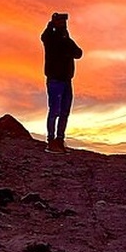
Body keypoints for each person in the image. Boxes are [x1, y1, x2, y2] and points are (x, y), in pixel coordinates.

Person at [41, 12, 83, 153]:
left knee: (64, 111)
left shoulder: (66, 39)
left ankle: (59, 140)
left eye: (63, 22)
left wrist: (67, 49)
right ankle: (51, 141)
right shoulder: (50, 38)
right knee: (55, 111)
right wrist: (51, 25)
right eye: (60, 21)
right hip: (55, 80)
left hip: (66, 80)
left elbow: (78, 53)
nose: (63, 23)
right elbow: (44, 37)